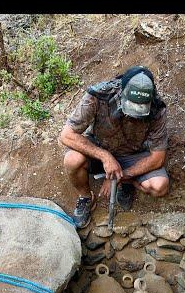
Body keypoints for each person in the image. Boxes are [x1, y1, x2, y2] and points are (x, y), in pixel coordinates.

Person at [59, 65, 170, 228]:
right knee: (72, 160)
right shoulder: (98, 95)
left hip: (133, 153)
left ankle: (127, 183)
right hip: (100, 147)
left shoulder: (157, 108)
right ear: (121, 91)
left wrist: (121, 176)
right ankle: (86, 198)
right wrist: (105, 157)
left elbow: (157, 158)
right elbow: (66, 135)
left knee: (159, 186)